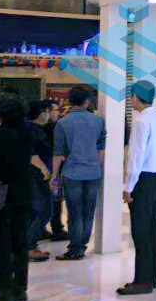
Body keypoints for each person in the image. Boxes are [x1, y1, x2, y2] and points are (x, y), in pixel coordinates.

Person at [118, 80, 156, 295]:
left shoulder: (140, 122)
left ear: (135, 97)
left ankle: (142, 281)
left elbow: (136, 157)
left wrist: (128, 186)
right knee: (152, 228)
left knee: (140, 231)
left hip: (143, 181)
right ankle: (153, 275)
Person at [0, 94, 34, 301]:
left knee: (1, 244)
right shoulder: (28, 133)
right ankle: (20, 289)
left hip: (0, 195)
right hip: (23, 192)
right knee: (20, 242)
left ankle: (6, 294)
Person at [53, 86, 106, 261]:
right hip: (93, 172)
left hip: (72, 172)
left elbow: (58, 153)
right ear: (87, 102)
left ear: (69, 101)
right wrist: (95, 167)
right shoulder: (98, 121)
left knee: (74, 212)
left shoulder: (62, 123)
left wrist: (54, 175)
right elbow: (101, 149)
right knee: (88, 211)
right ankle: (82, 245)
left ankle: (75, 247)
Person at [26, 101, 53, 262]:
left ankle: (31, 244)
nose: (49, 114)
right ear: (40, 113)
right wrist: (43, 169)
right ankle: (29, 245)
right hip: (36, 176)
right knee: (43, 210)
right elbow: (32, 153)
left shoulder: (34, 129)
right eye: (47, 111)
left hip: (34, 176)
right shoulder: (33, 131)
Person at [44, 101, 67, 241]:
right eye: (56, 110)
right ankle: (57, 229)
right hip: (53, 168)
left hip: (47, 169)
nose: (58, 113)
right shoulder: (53, 128)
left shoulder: (37, 128)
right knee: (55, 200)